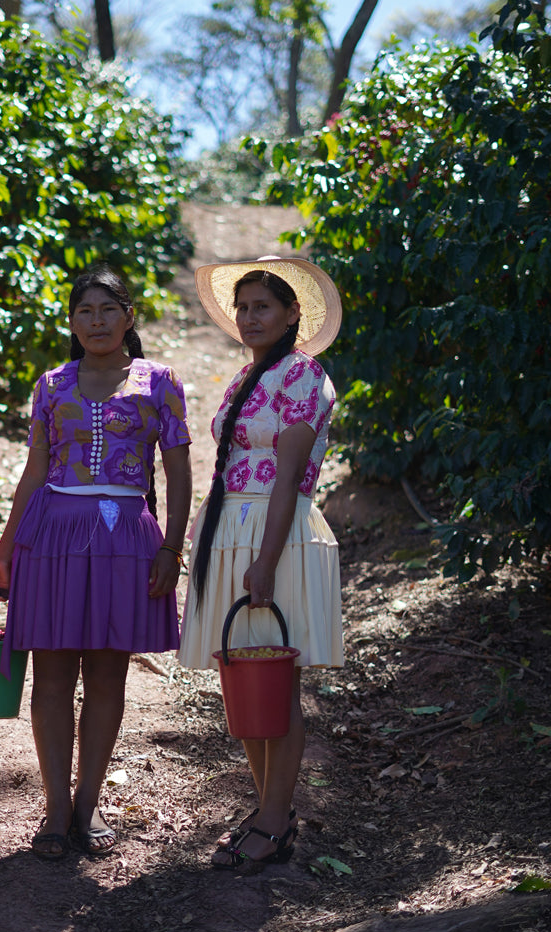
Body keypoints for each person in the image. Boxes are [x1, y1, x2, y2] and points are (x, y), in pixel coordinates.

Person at [0, 266, 192, 860]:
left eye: (107, 310)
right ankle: (54, 806)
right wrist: (3, 552)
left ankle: (88, 801)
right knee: (49, 678)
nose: (95, 322)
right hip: (52, 535)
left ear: (129, 317)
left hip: (127, 536)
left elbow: (178, 474)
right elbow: (33, 473)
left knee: (107, 674)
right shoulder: (51, 384)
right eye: (84, 312)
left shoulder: (159, 383)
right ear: (71, 321)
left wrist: (172, 547)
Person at [179, 256, 343, 873]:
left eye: (263, 307)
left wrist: (266, 560)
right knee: (244, 679)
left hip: (278, 533)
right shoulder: (241, 380)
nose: (250, 317)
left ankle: (275, 822)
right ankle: (266, 810)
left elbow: (289, 478)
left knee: (278, 683)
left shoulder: (304, 377)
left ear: (292, 313)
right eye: (243, 308)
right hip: (228, 531)